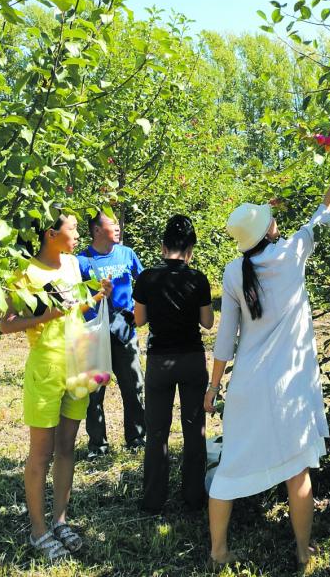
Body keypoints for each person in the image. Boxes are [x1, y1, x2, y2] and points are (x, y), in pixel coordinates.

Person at [205, 147, 330, 569]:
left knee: (229, 472)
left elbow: (224, 339)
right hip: (289, 386)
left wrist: (213, 386)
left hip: (247, 389)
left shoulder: (233, 271)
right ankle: (302, 549)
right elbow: (328, 206)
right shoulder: (295, 251)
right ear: (269, 230)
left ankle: (218, 553)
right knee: (298, 473)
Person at [0, 212, 111, 562]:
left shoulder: (75, 265)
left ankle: (60, 520)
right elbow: (6, 324)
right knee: (41, 452)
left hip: (77, 362)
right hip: (46, 367)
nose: (78, 234)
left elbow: (73, 310)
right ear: (51, 233)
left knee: (66, 447)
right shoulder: (24, 272)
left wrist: (96, 298)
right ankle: (38, 530)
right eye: (73, 228)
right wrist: (44, 317)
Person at [133, 215, 214, 513]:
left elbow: (139, 320)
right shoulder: (198, 278)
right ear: (190, 247)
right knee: (195, 430)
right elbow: (207, 323)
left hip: (159, 361)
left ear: (163, 246)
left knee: (156, 431)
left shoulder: (147, 278)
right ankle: (194, 497)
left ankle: (154, 499)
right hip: (192, 358)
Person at [78, 211, 146, 457]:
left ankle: (137, 439)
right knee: (94, 393)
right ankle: (98, 445)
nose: (118, 228)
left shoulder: (127, 254)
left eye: (118, 223)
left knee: (133, 385)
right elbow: (75, 299)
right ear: (97, 230)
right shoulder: (81, 261)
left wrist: (136, 313)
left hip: (124, 330)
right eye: (112, 224)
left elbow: (144, 283)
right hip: (94, 333)